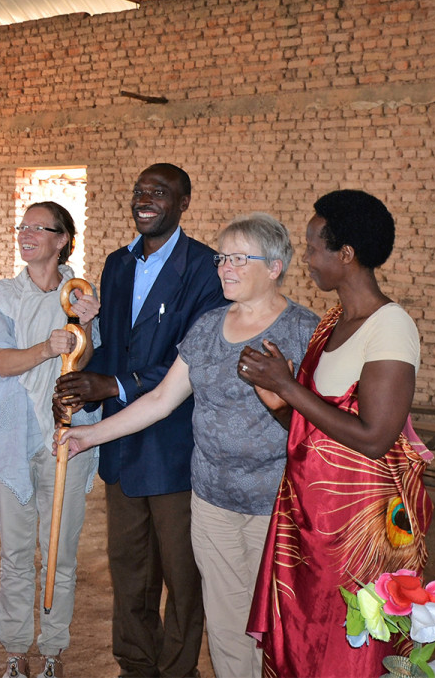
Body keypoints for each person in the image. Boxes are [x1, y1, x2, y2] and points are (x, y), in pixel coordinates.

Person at [58, 213, 318, 678]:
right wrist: (88, 435)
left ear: (275, 267)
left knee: (276, 620)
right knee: (225, 621)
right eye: (222, 258)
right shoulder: (208, 326)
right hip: (213, 501)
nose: (225, 267)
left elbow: (321, 421)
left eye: (239, 259)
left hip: (276, 502)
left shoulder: (304, 330)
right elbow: (160, 400)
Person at [243, 190, 431, 678]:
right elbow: (314, 432)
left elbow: (374, 438)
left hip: (360, 532)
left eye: (312, 247)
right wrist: (278, 399)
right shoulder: (332, 323)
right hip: (311, 524)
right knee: (307, 644)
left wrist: (288, 386)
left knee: (349, 652)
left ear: (345, 253)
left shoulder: (390, 326)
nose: (305, 259)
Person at [55, 163, 224, 678]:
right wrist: (84, 389)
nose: (145, 199)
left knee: (181, 574)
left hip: (175, 446)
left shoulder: (205, 268)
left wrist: (114, 385)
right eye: (140, 190)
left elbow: (192, 357)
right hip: (121, 447)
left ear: (184, 202)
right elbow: (115, 345)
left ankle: (178, 670)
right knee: (129, 568)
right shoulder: (118, 263)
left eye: (160, 192)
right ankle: (135, 664)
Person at [0, 202, 100, 678]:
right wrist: (47, 348)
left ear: (62, 239)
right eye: (22, 226)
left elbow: (87, 363)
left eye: (37, 228)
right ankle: (15, 651)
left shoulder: (81, 294)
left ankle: (52, 652)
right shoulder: (3, 294)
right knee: (14, 554)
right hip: (13, 435)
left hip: (67, 436)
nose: (25, 234)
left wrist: (85, 326)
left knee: (59, 552)